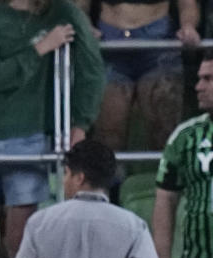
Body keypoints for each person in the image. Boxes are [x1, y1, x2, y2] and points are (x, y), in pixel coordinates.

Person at [0, 0, 105, 258]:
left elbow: (92, 69)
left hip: (31, 132)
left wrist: (80, 124)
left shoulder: (64, 12)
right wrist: (39, 48)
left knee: (20, 238)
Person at [15, 140, 159, 258]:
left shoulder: (39, 222)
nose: (63, 181)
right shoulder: (134, 225)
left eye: (66, 173)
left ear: (79, 178)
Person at [81, 0, 201, 152]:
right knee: (108, 136)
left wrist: (188, 26)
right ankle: (112, 176)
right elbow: (80, 5)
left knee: (164, 132)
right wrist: (86, 26)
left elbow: (188, 4)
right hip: (108, 43)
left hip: (158, 41)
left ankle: (166, 175)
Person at [153, 51, 213, 258]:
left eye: (208, 79)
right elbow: (165, 199)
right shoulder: (185, 136)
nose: (198, 87)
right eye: (199, 78)